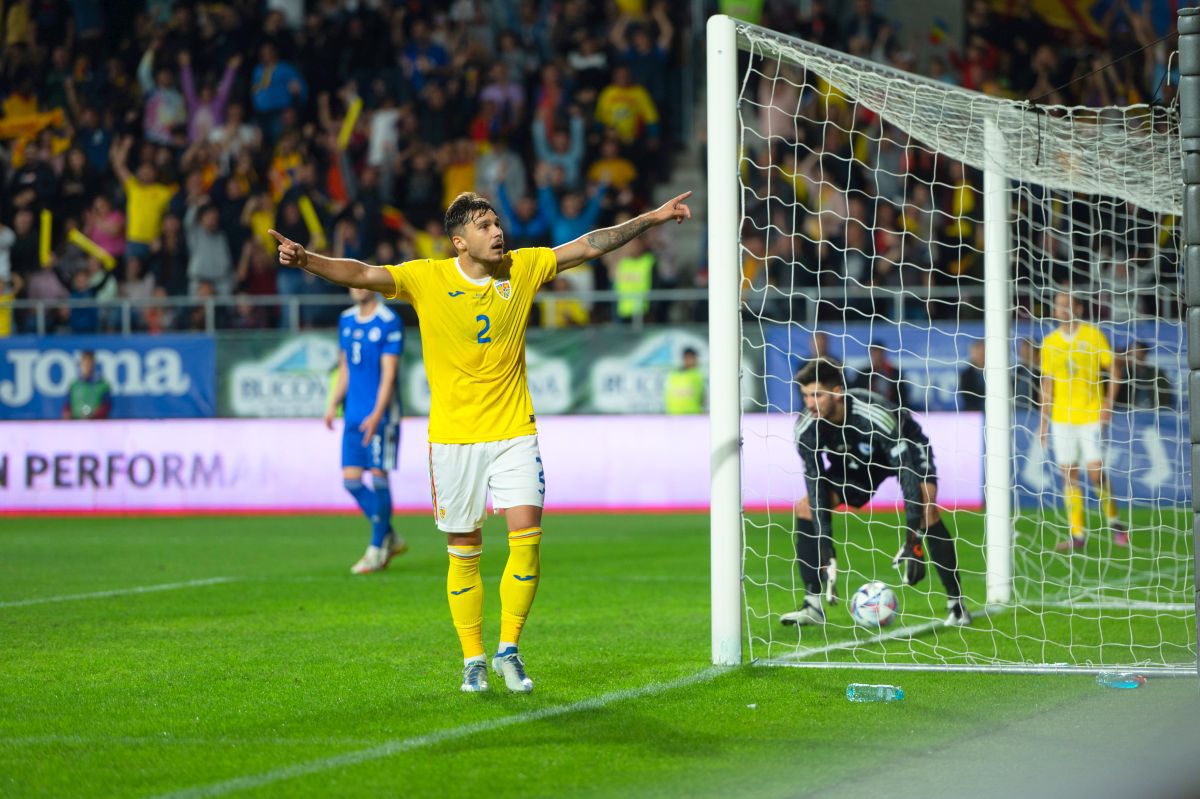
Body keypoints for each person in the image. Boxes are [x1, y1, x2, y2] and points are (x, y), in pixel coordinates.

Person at [270, 188, 693, 693]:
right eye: (484, 225)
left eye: (497, 222)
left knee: (527, 537)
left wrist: (652, 217)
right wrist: (307, 259)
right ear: (459, 242)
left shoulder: (524, 266)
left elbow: (590, 245)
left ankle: (509, 650)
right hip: (453, 441)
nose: (497, 231)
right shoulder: (426, 279)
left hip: (514, 430)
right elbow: (361, 274)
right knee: (464, 551)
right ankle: (473, 658)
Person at [781, 359, 970, 628]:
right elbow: (815, 482)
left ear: (837, 392)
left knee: (927, 509)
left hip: (906, 448)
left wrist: (912, 542)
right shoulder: (807, 427)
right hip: (856, 463)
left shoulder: (873, 413)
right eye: (805, 396)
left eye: (817, 395)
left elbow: (905, 471)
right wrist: (826, 548)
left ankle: (957, 604)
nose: (810, 403)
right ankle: (812, 605)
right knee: (805, 507)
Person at [324, 286, 408, 575]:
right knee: (351, 481)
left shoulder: (388, 320)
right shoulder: (346, 320)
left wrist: (377, 414)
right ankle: (389, 534)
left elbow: (389, 372)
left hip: (381, 415)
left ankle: (375, 549)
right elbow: (345, 367)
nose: (357, 287)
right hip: (353, 414)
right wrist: (333, 402)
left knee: (379, 477)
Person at [1038, 290, 1127, 550]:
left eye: (1067, 305)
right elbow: (1047, 384)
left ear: (1078, 309)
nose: (1062, 309)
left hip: (1090, 413)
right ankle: (1077, 534)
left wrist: (1108, 403)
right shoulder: (1050, 342)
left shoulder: (1093, 335)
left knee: (1095, 472)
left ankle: (1114, 521)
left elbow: (1114, 369)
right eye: (1058, 305)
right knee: (1069, 475)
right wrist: (1042, 424)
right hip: (1061, 417)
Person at [63, 350, 112, 420]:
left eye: (89, 363)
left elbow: (107, 406)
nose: (87, 366)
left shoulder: (103, 385)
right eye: (85, 363)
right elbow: (67, 406)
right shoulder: (74, 385)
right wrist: (68, 417)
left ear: (94, 364)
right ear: (80, 364)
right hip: (76, 424)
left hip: (97, 424)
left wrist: (92, 416)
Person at [664, 347, 705, 414]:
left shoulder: (672, 375)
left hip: (675, 416)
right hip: (690, 416)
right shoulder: (696, 375)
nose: (696, 361)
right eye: (693, 358)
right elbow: (702, 399)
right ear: (686, 358)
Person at [958, 340, 985, 412]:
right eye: (977, 352)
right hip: (973, 413)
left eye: (982, 352)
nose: (980, 355)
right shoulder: (966, 375)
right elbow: (967, 398)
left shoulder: (997, 374)